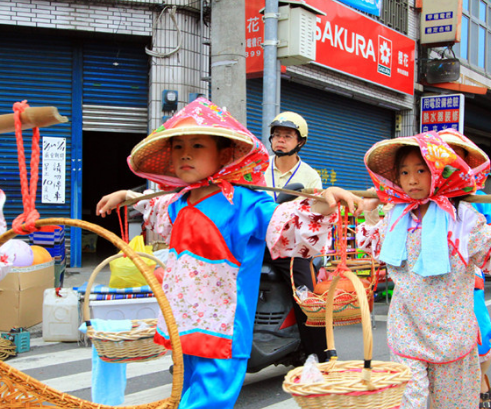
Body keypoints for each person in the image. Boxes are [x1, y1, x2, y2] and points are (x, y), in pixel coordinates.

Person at [95, 98, 363, 409]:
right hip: (184, 321)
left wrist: (321, 202)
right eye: (178, 146)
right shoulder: (180, 200)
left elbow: (285, 218)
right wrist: (127, 196)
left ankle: (317, 347)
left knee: (207, 402)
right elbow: (155, 205)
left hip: (222, 328)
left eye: (197, 146)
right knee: (185, 393)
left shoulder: (245, 202)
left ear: (224, 155)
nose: (185, 153)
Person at [356, 132, 491, 408]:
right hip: (406, 328)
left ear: (439, 171)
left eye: (421, 170)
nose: (412, 179)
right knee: (409, 402)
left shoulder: (464, 216)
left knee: (454, 403)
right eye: (404, 172)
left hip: (452, 331)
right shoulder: (396, 214)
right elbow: (373, 245)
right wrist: (370, 213)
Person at [263, 111, 327, 362]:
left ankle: (320, 358)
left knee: (305, 298)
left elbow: (316, 212)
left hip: (290, 247)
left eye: (287, 136)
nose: (280, 140)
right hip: (256, 242)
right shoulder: (258, 168)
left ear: (300, 141)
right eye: (277, 135)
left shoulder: (309, 176)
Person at [439, 129, 491, 409]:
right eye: (443, 157)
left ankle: (481, 383)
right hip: (429, 289)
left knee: (479, 337)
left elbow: (490, 247)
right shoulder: (416, 200)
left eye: (457, 158)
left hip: (466, 278)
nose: (449, 164)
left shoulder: (478, 199)